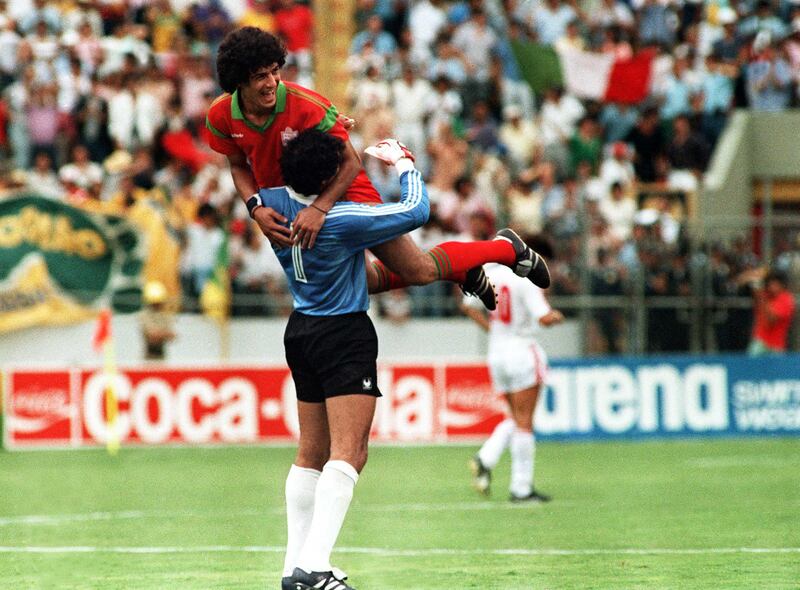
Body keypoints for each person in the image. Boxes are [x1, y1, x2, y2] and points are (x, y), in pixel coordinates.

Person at [205, 27, 552, 312]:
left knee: (418, 269)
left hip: (339, 189)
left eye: (274, 71)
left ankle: (506, 249)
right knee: (359, 282)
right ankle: (462, 270)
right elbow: (237, 164)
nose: (270, 82)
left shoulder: (305, 104)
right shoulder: (221, 115)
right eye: (259, 76)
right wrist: (256, 209)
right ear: (238, 82)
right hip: (286, 203)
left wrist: (320, 208)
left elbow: (352, 162)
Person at [269, 132, 427, 590]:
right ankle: (315, 566)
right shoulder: (341, 219)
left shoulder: (273, 204)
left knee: (309, 454)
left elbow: (254, 191)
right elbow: (416, 211)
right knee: (350, 453)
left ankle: (293, 566)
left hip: (300, 329)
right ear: (328, 178)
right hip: (343, 333)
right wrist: (404, 163)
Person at [461, 237, 564, 503]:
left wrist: (492, 329)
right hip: (522, 351)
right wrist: (555, 317)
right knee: (525, 422)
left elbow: (467, 306)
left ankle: (486, 458)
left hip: (497, 353)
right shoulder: (525, 279)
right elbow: (543, 317)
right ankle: (521, 487)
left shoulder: (490, 274)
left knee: (516, 418)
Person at [748, 269, 796, 355]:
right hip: (759, 341)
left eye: (775, 284)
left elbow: (771, 320)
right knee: (750, 365)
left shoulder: (786, 299)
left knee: (775, 368)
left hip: (776, 346)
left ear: (782, 284)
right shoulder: (765, 294)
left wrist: (761, 298)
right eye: (770, 283)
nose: (771, 286)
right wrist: (759, 275)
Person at [140, 280, 176, 361]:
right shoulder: (144, 315)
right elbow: (152, 335)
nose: (158, 304)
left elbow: (172, 336)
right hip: (149, 356)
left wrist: (159, 334)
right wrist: (164, 334)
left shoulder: (165, 315)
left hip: (162, 356)